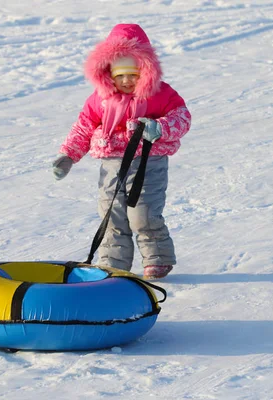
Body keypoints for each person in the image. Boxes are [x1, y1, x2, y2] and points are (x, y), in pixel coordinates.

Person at [52, 23, 191, 280]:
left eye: (133, 74)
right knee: (111, 214)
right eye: (120, 75)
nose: (127, 81)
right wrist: (67, 156)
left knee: (143, 213)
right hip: (112, 165)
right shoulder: (100, 99)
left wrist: (159, 127)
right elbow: (83, 128)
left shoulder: (160, 94)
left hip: (149, 163)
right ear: (108, 73)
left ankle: (158, 259)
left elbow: (182, 118)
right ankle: (113, 266)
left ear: (145, 71)